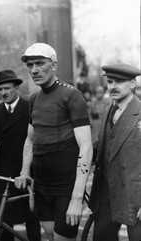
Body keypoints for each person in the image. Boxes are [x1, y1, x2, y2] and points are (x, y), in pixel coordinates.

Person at [15, 43, 93, 241]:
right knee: (50, 237)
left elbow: (86, 147)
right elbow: (30, 140)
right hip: (42, 184)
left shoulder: (72, 95)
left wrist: (77, 198)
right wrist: (25, 171)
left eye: (40, 63)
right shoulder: (34, 99)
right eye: (30, 65)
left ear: (54, 65)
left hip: (66, 186)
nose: (34, 70)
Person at [0, 70, 41, 241]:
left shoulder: (29, 107)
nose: (3, 93)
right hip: (2, 173)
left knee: (31, 217)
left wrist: (28, 169)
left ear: (17, 88)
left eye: (7, 88)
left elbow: (35, 137)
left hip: (23, 172)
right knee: (4, 219)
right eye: (0, 89)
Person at [88, 63, 141, 241]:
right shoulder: (107, 111)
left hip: (134, 196)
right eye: (110, 81)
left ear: (133, 83)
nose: (113, 86)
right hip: (106, 193)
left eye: (119, 81)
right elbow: (102, 144)